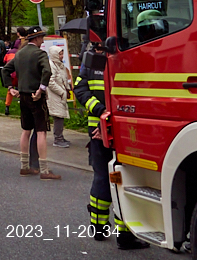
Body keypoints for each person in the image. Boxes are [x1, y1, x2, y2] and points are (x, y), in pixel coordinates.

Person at [74, 42, 149, 250]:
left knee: (105, 176)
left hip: (104, 128)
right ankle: (122, 234)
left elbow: (80, 89)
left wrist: (100, 115)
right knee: (124, 178)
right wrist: (101, 113)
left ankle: (100, 228)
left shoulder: (90, 61)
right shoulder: (127, 57)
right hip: (118, 129)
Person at [4, 26, 59, 180]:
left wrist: (10, 88)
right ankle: (44, 169)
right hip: (36, 96)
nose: (42, 40)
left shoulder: (20, 53)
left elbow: (5, 70)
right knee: (41, 131)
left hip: (22, 95)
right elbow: (47, 71)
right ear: (36, 38)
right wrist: (41, 88)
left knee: (26, 130)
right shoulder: (39, 54)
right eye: (41, 37)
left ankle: (24, 166)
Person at [47, 45, 72, 148]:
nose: (62, 56)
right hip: (55, 95)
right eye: (60, 54)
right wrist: (62, 92)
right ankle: (58, 139)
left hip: (60, 95)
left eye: (62, 53)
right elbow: (51, 82)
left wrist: (67, 88)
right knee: (58, 116)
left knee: (60, 115)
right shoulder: (52, 66)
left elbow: (63, 78)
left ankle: (60, 136)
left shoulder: (59, 65)